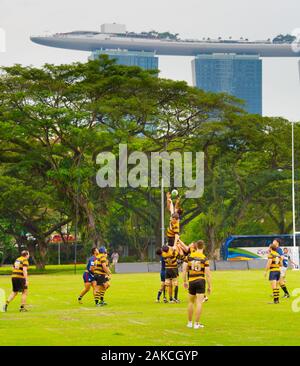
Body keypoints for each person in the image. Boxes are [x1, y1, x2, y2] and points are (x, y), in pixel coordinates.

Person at [182, 240, 211, 329]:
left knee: (190, 302)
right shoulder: (204, 258)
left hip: (191, 280)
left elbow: (184, 270)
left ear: (195, 246)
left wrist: (185, 281)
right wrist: (210, 286)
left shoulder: (189, 256)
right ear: (203, 247)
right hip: (200, 280)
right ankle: (196, 324)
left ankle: (190, 323)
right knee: (199, 303)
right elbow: (208, 274)